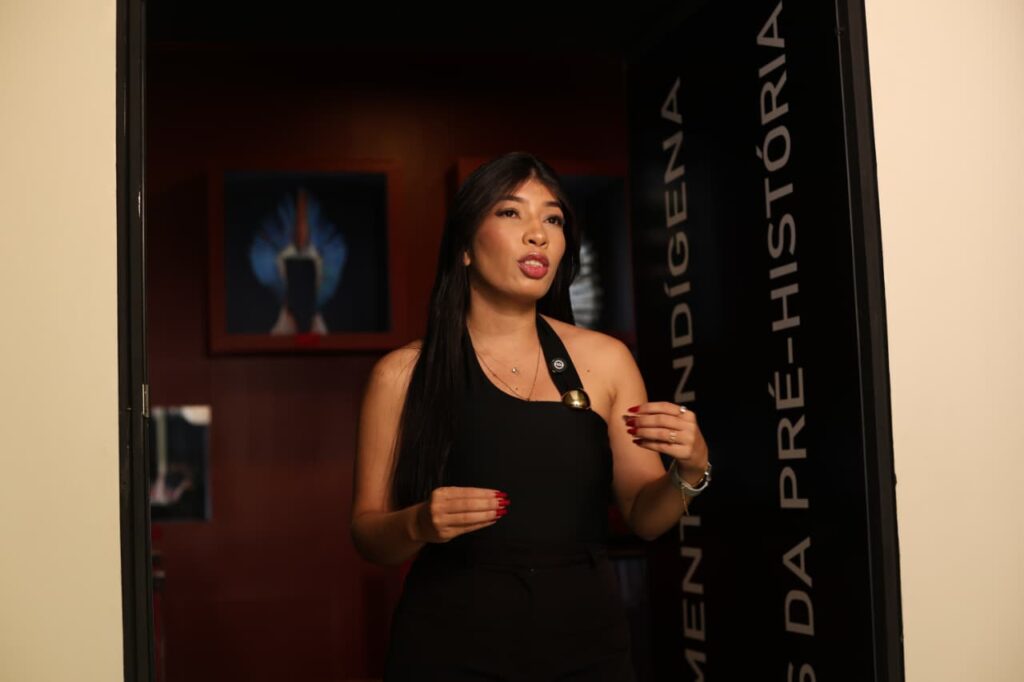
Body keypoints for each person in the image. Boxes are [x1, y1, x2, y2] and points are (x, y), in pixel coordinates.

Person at [350, 151, 711, 681]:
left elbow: (644, 516)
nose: (538, 234)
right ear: (465, 246)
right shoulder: (402, 374)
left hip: (587, 646)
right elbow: (368, 535)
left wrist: (691, 470)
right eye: (510, 212)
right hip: (449, 647)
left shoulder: (607, 360)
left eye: (553, 219)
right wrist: (418, 522)